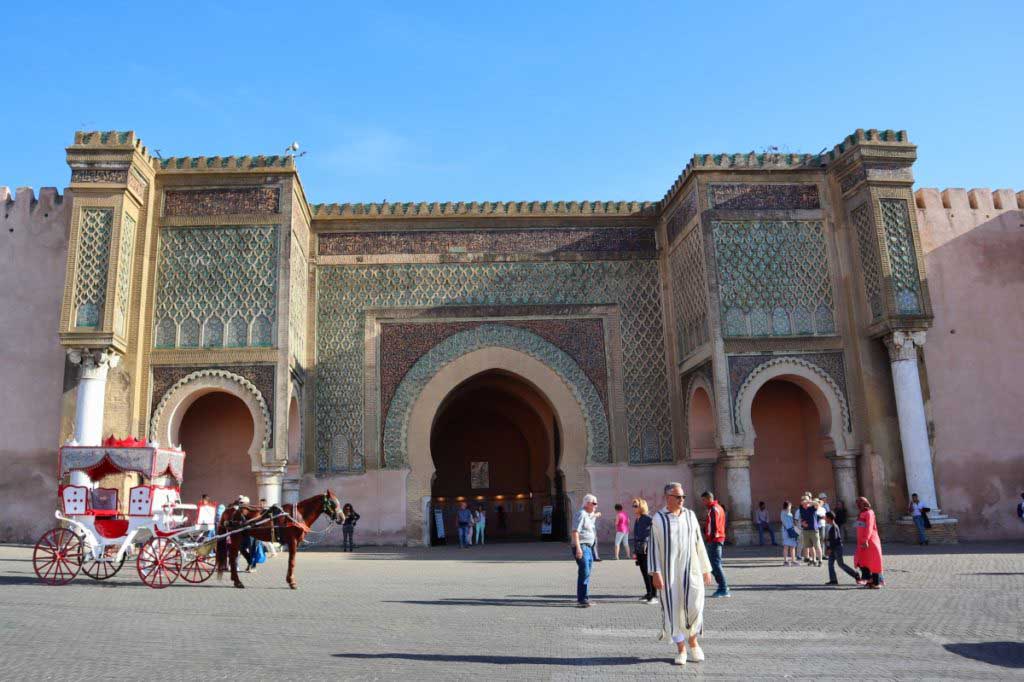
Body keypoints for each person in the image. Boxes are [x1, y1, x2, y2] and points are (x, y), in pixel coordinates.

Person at [649, 483, 714, 666]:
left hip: (691, 569)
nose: (681, 500)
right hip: (669, 573)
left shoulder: (690, 515)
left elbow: (698, 542)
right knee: (673, 608)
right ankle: (681, 649)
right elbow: (653, 548)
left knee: (695, 604)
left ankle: (693, 641)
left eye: (683, 497)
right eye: (678, 497)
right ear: (667, 497)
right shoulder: (658, 519)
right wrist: (655, 572)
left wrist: (705, 568)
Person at [571, 494, 599, 607]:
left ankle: (583, 597)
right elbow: (575, 532)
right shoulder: (581, 514)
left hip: (588, 547)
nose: (596, 506)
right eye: (594, 503)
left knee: (586, 572)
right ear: (587, 503)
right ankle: (582, 599)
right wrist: (578, 548)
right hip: (582, 546)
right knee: (585, 571)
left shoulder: (587, 514)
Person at [700, 491, 729, 598]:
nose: (703, 503)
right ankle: (723, 586)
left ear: (708, 498)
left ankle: (723, 588)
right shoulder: (719, 508)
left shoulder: (713, 509)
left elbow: (714, 526)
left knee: (714, 565)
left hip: (715, 540)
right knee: (714, 564)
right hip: (718, 538)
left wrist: (709, 538)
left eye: (703, 500)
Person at [853, 496, 884, 588]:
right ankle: (869, 580)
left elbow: (869, 527)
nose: (858, 505)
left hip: (870, 541)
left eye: (859, 503)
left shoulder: (870, 513)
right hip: (862, 542)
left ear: (864, 503)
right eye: (857, 503)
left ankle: (876, 583)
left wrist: (866, 539)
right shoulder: (861, 513)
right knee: (861, 561)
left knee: (873, 561)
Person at [631, 497, 656, 604]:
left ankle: (653, 596)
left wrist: (648, 540)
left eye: (636, 506)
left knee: (648, 572)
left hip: (647, 549)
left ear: (641, 507)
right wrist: (634, 551)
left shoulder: (647, 518)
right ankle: (648, 593)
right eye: (633, 505)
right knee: (643, 572)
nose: (633, 508)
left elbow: (656, 529)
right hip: (639, 548)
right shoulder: (638, 519)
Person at [824, 511, 859, 585]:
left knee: (841, 564)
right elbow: (832, 538)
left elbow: (835, 539)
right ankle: (833, 580)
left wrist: (829, 549)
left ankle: (855, 574)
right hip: (833, 548)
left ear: (829, 518)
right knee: (830, 564)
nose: (825, 519)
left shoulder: (834, 527)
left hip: (836, 548)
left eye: (826, 517)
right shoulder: (831, 526)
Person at [798, 496, 822, 566]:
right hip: (806, 531)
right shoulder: (801, 508)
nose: (804, 502)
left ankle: (820, 560)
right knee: (810, 546)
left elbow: (818, 504)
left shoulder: (812, 508)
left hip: (814, 530)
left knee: (817, 546)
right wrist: (802, 523)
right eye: (803, 501)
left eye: (805, 501)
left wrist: (810, 502)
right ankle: (814, 560)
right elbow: (801, 518)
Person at [780, 501, 798, 565]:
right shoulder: (783, 512)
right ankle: (785, 561)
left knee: (793, 546)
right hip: (786, 531)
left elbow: (792, 522)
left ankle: (793, 560)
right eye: (790, 505)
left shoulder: (790, 513)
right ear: (787, 506)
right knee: (786, 546)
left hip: (791, 530)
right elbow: (784, 521)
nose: (791, 507)